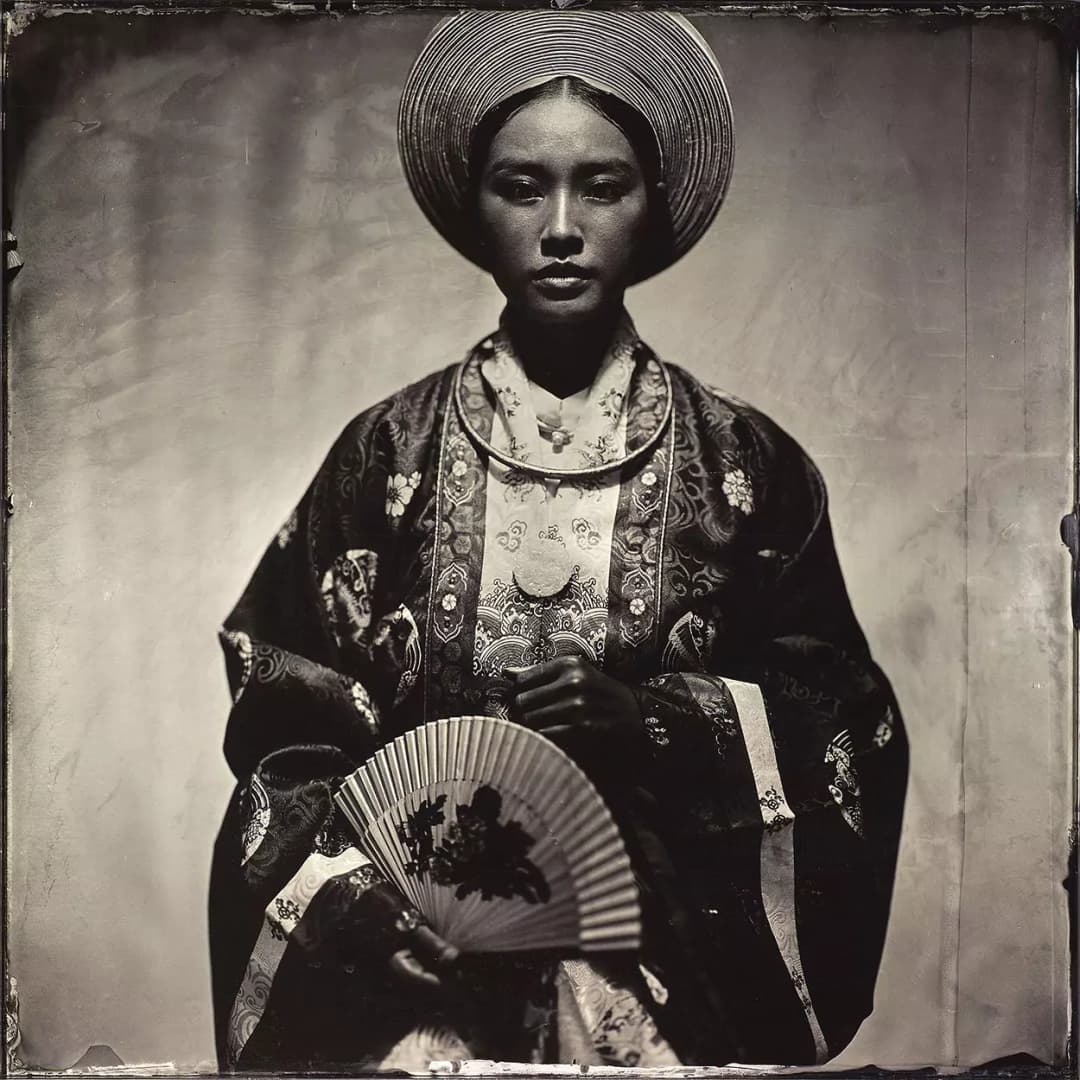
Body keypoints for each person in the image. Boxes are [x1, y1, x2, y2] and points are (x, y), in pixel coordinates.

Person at [209, 10, 908, 1072]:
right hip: (419, 999)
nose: (563, 226)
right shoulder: (383, 460)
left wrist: (665, 723)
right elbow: (286, 720)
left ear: (653, 203)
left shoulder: (745, 468)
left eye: (605, 186)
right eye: (523, 186)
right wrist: (350, 909)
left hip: (663, 996)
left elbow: (845, 719)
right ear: (473, 206)